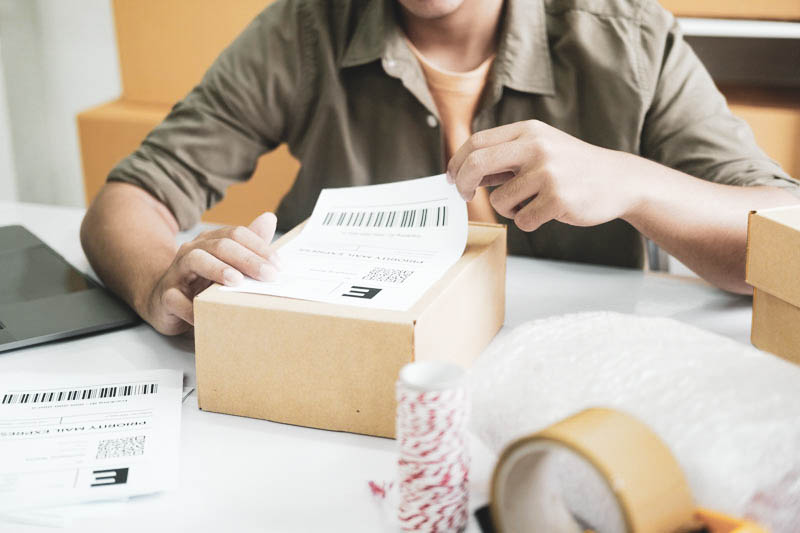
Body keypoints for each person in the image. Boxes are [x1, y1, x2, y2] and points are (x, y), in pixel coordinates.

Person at [81, 0, 800, 336]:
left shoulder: (630, 37)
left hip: (574, 379)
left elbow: (783, 231)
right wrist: (157, 279)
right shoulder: (304, 27)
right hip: (345, 378)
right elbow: (130, 195)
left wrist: (634, 182)